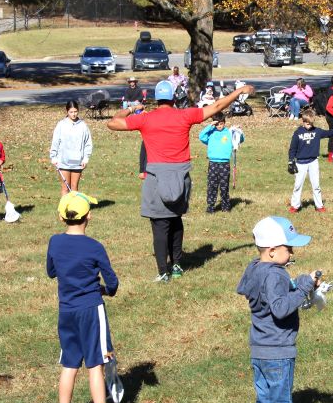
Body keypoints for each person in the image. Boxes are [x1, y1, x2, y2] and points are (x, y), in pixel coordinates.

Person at [106, 80, 254, 283]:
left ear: (156, 99)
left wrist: (132, 108)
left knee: (159, 225)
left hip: (156, 177)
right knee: (175, 220)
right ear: (175, 97)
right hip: (180, 176)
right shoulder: (185, 115)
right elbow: (217, 106)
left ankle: (163, 271)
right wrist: (239, 91)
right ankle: (176, 265)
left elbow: (112, 122)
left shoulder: (145, 119)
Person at [236, 216, 320, 403]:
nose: (292, 251)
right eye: (289, 247)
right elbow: (281, 308)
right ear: (272, 251)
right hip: (278, 352)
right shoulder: (275, 275)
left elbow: (263, 295)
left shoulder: (254, 268)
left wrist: (291, 285)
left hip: (259, 350)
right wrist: (304, 286)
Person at [46, 191, 129, 403]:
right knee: (95, 364)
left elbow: (51, 271)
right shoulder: (94, 247)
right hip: (92, 310)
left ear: (62, 218)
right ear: (88, 217)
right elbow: (112, 283)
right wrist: (106, 290)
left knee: (69, 363)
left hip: (66, 311)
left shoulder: (54, 242)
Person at [288, 110, 333, 213]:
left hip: (313, 162)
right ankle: (295, 206)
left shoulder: (317, 131)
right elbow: (292, 149)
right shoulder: (297, 133)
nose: (309, 125)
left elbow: (328, 133)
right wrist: (291, 161)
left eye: (311, 123)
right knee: (298, 185)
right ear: (303, 121)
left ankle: (319, 206)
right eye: (307, 123)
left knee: (316, 185)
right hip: (300, 163)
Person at [199, 113, 243, 213]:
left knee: (224, 186)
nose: (219, 126)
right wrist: (210, 126)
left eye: (221, 124)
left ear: (224, 123)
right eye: (217, 124)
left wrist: (239, 131)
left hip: (224, 164)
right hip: (213, 163)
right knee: (212, 185)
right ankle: (210, 206)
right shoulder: (211, 132)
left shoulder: (229, 132)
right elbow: (201, 137)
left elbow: (240, 139)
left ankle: (225, 207)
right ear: (214, 124)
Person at [50, 100, 93, 196]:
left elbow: (88, 143)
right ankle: (63, 211)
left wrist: (85, 158)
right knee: (65, 187)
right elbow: (55, 141)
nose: (73, 114)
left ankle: (74, 210)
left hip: (77, 161)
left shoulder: (83, 125)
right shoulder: (61, 125)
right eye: (71, 112)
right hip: (63, 161)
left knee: (74, 188)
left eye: (75, 111)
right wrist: (53, 156)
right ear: (67, 112)